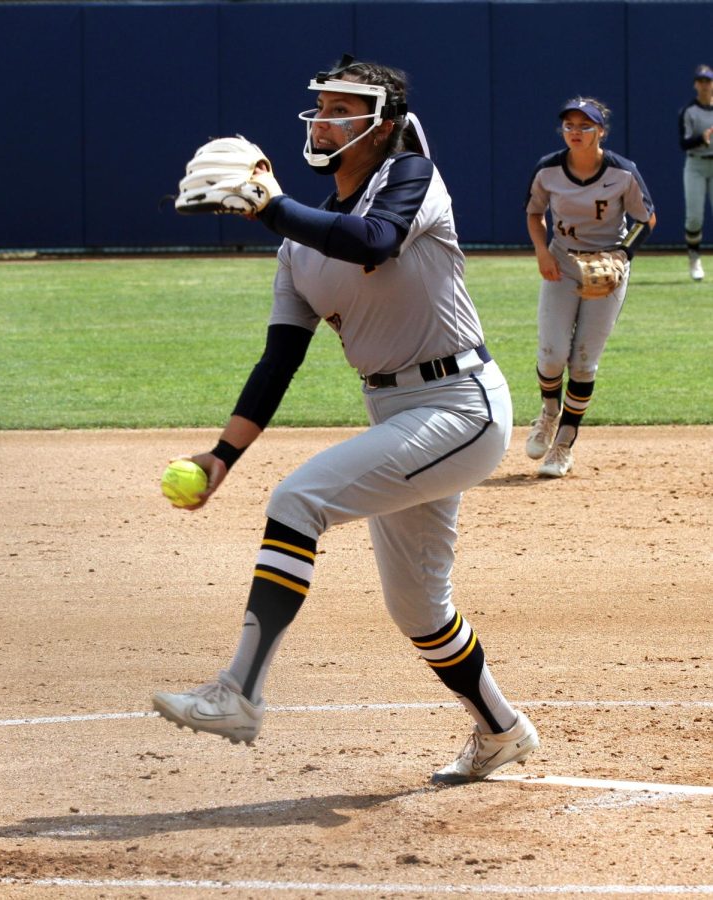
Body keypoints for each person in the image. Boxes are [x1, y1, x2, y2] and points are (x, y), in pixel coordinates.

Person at [152, 54, 539, 783]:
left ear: (381, 123)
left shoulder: (410, 178)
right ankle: (501, 728)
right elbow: (278, 362)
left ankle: (237, 691)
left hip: (460, 403)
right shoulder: (298, 245)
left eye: (339, 107)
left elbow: (373, 243)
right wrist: (219, 457)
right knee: (419, 610)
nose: (322, 118)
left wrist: (267, 206)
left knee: (298, 501)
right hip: (396, 412)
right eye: (318, 107)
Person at [524, 97, 656, 478]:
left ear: (601, 131)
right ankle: (549, 413)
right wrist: (541, 253)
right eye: (569, 125)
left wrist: (621, 255)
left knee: (583, 361)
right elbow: (534, 212)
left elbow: (645, 219)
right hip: (563, 262)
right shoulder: (548, 169)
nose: (575, 132)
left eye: (585, 125)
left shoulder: (623, 172)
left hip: (607, 266)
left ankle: (564, 442)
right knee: (551, 354)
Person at [679, 63, 713, 281]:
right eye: (700, 81)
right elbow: (684, 143)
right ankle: (694, 258)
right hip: (696, 165)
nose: (704, 85)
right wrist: (702, 138)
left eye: (708, 81)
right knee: (694, 218)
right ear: (695, 85)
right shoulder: (689, 111)